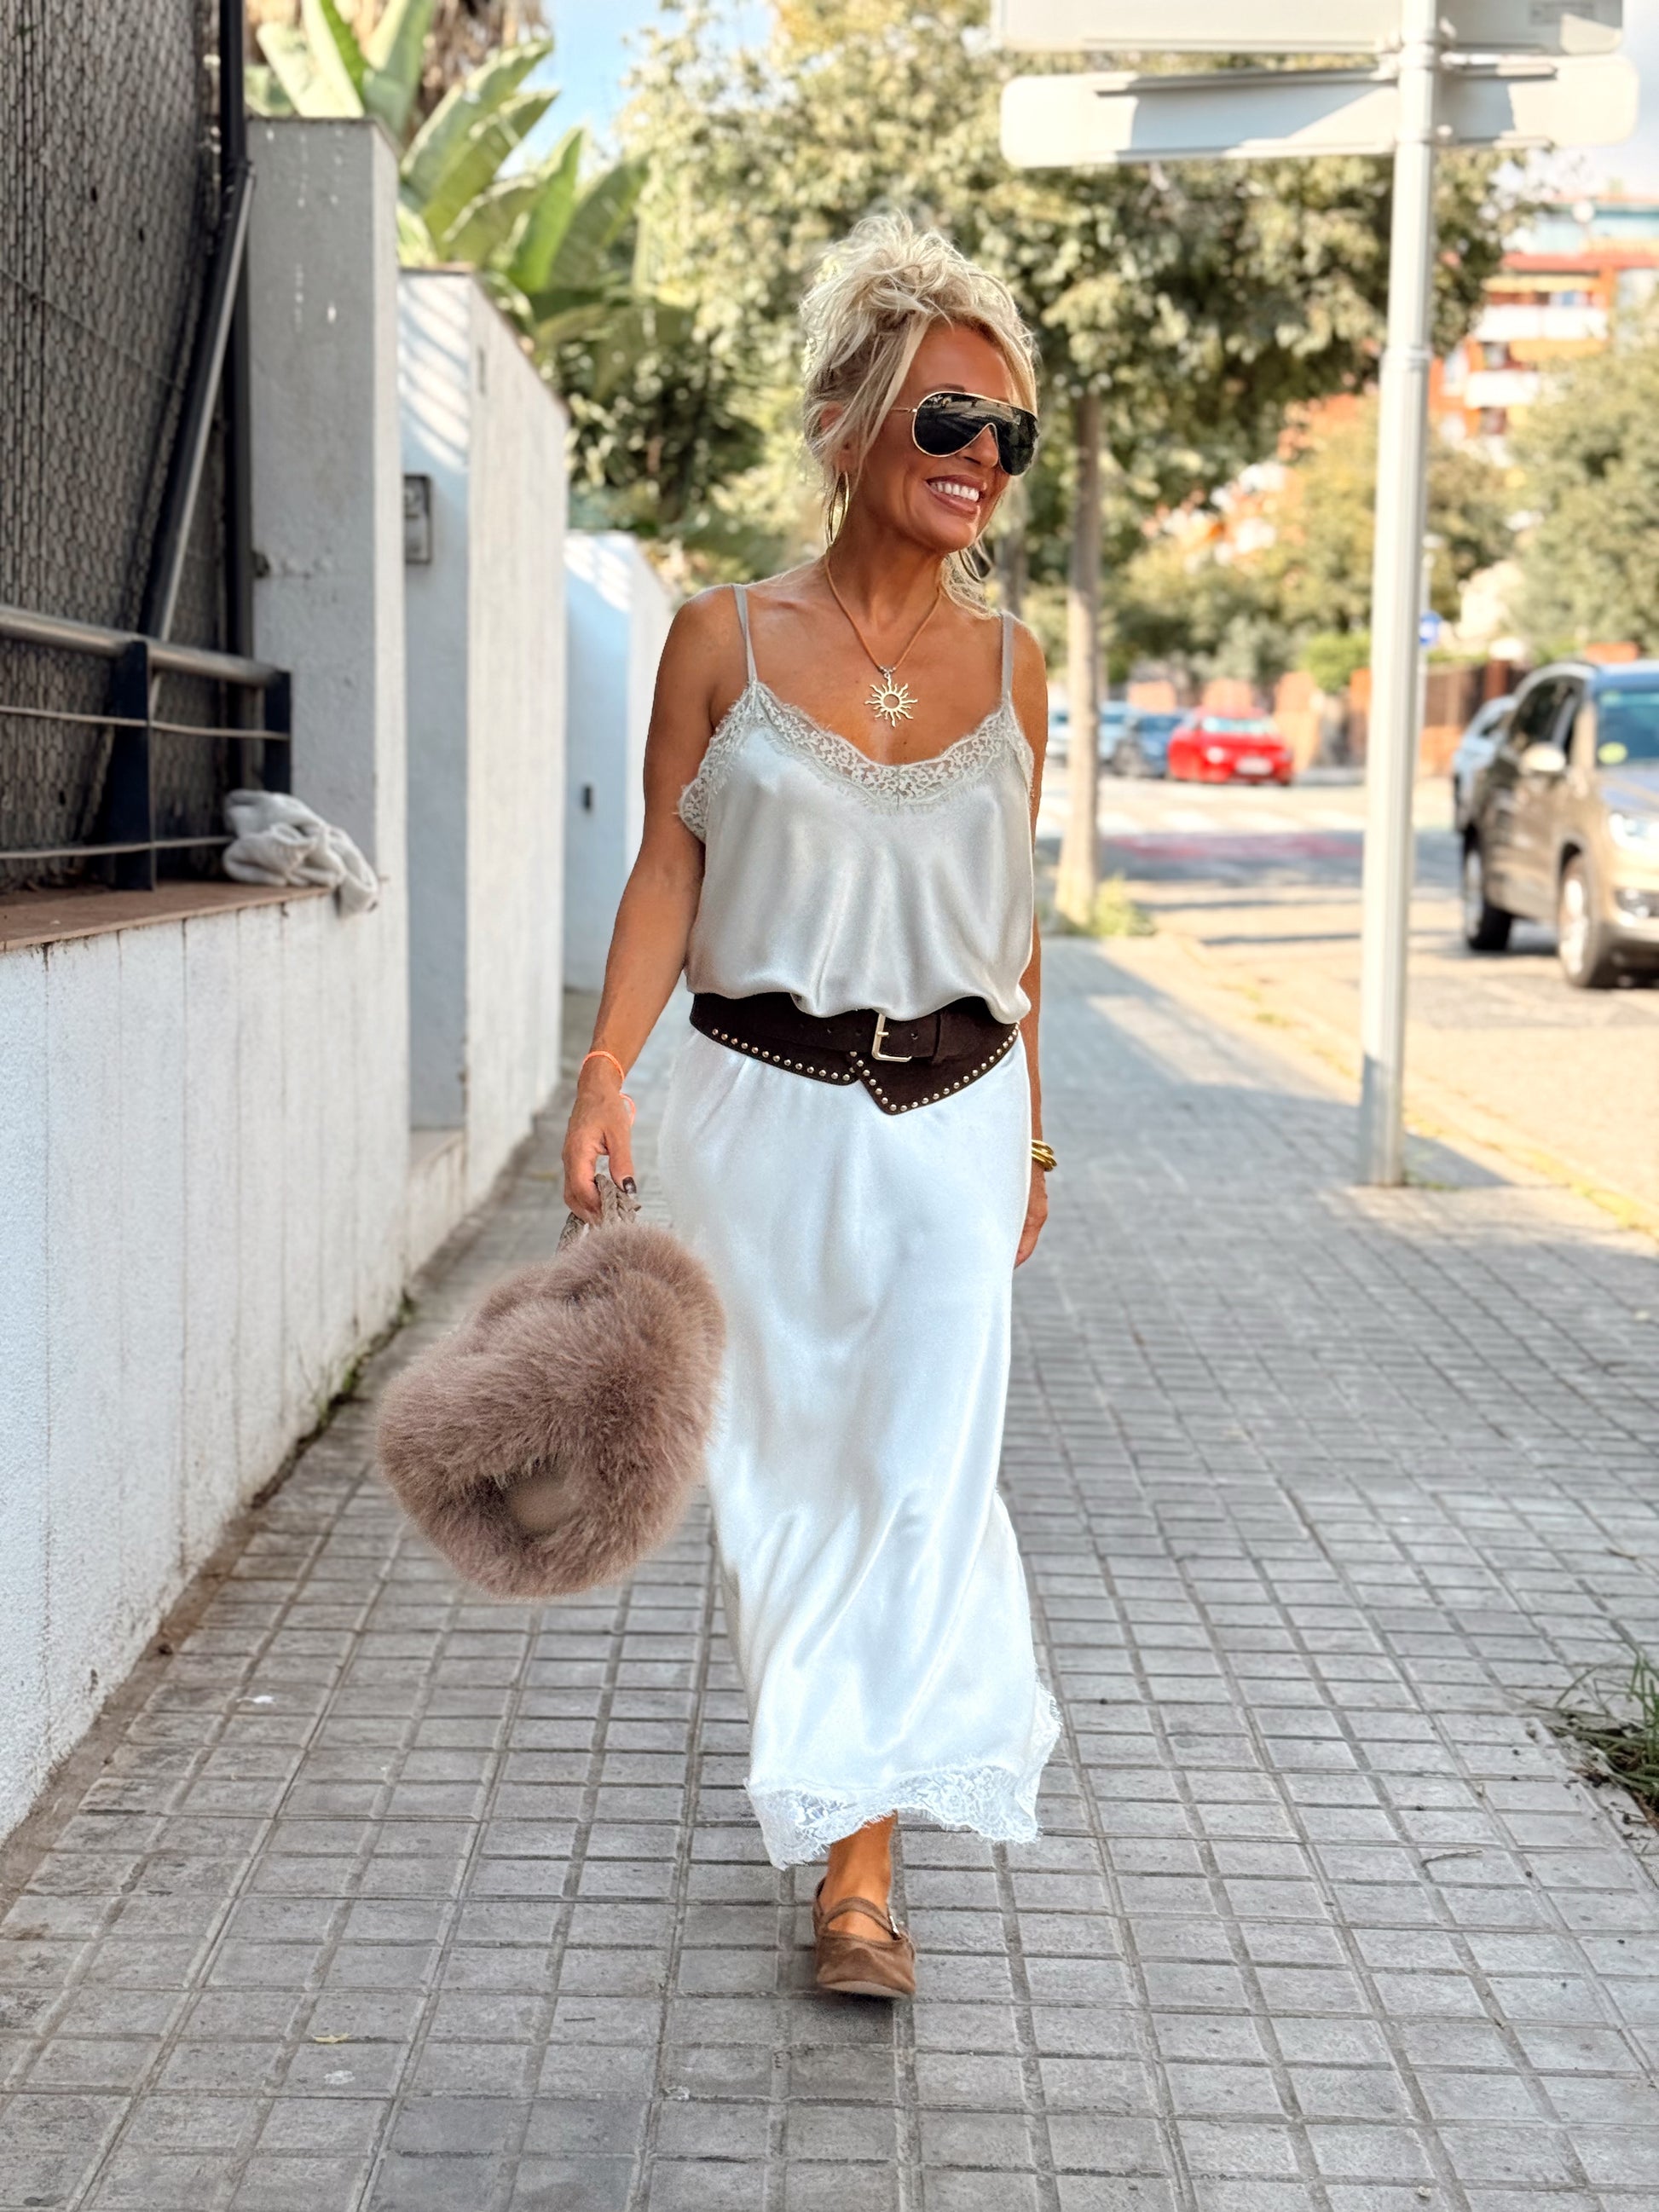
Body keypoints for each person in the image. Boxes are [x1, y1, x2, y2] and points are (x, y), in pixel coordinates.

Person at [562, 213, 1058, 2000]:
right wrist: (603, 1071)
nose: (979, 457)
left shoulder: (1017, 666)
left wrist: (1035, 1134)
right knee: (781, 1485)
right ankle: (834, 1777)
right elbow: (665, 873)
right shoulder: (723, 639)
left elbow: (1016, 923)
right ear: (846, 422)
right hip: (754, 1117)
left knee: (925, 1480)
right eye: (945, 417)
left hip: (953, 1114)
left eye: (1006, 432)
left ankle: (861, 1877)